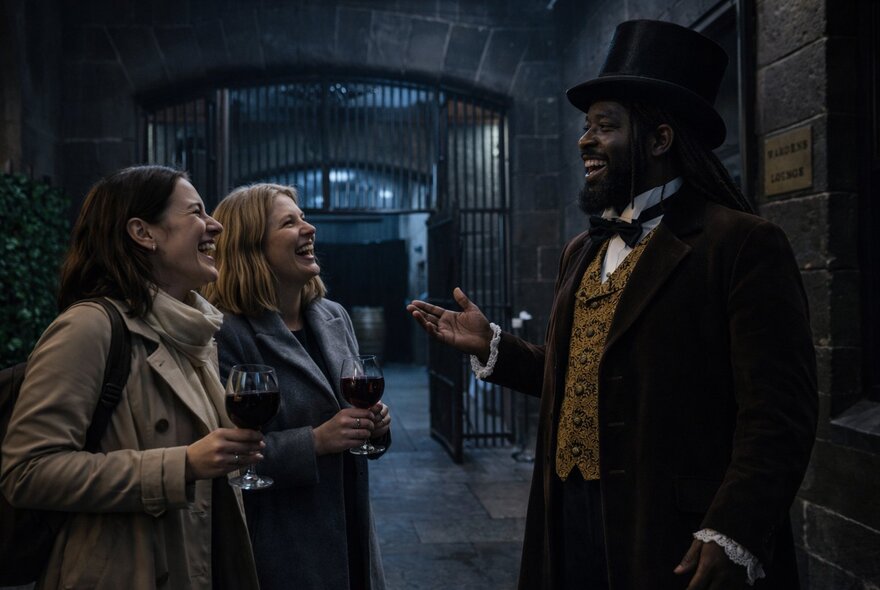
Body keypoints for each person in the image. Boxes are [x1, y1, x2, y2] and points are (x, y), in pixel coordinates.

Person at [408, 20, 817, 590]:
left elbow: (780, 413)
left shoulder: (741, 244)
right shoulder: (583, 249)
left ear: (659, 139)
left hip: (671, 530)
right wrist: (493, 347)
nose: (585, 141)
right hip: (571, 515)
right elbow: (581, 372)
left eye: (605, 126)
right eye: (585, 126)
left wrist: (734, 529)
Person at [0, 165, 263, 589]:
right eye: (196, 212)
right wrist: (183, 465)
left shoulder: (194, 331)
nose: (214, 224)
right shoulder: (88, 327)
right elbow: (27, 472)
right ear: (144, 233)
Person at [204, 183, 390, 590]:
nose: (310, 228)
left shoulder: (333, 316)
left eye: (302, 217)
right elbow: (221, 456)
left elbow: (353, 415)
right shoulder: (224, 332)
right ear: (251, 246)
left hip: (354, 535)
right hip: (285, 547)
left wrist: (375, 426)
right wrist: (317, 441)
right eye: (290, 222)